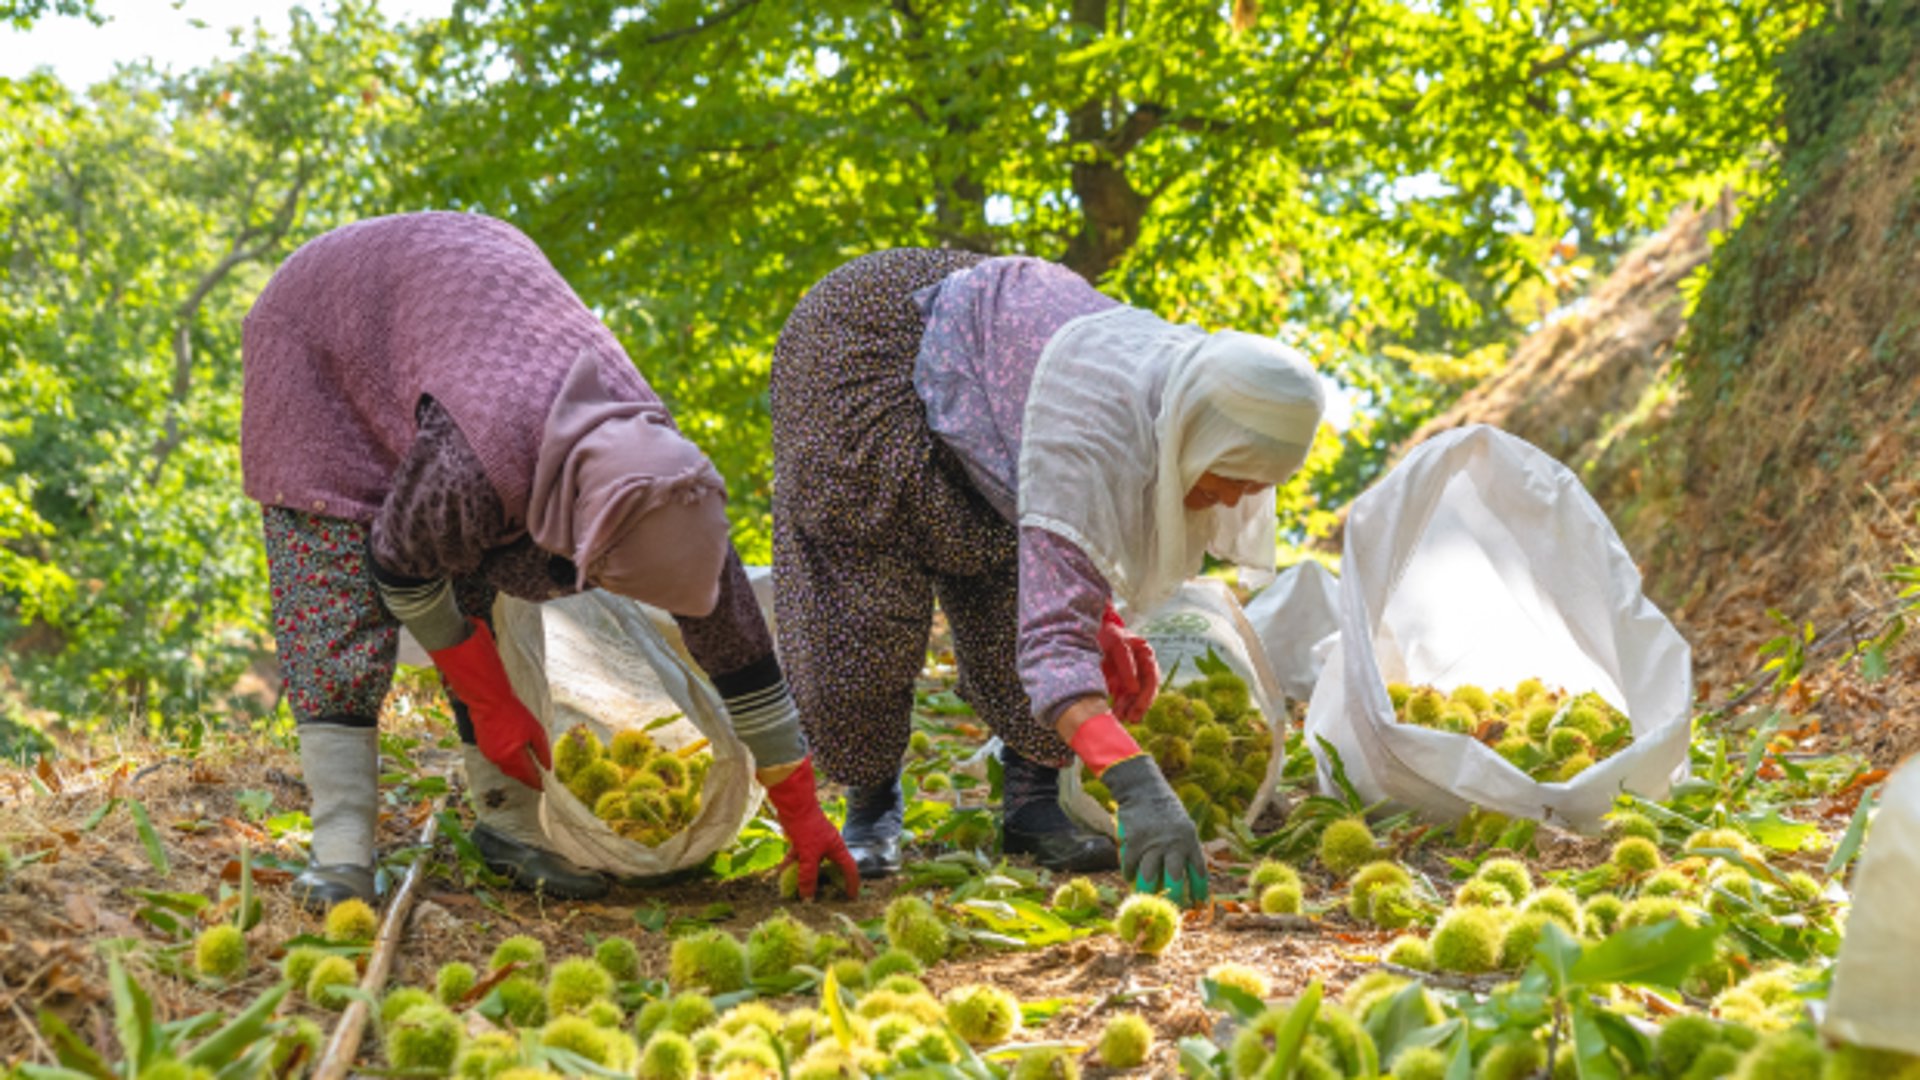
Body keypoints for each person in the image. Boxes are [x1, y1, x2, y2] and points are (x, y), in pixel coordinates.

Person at [241, 211, 857, 911]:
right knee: (337, 602)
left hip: (463, 322)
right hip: (322, 327)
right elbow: (399, 567)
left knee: (474, 581)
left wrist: (798, 802)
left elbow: (731, 635)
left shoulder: (663, 479)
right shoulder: (476, 461)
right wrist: (490, 698)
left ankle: (509, 824)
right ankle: (342, 845)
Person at [769, 250, 1324, 904]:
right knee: (867, 580)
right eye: (1229, 480)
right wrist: (1135, 783)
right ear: (1198, 438)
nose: (1233, 503)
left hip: (996, 359)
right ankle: (870, 801)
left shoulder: (1184, 393)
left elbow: (1063, 549)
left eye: (1254, 490)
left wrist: (1103, 621)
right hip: (869, 340)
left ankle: (1033, 805)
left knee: (1006, 556)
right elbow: (1053, 644)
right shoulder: (1092, 431)